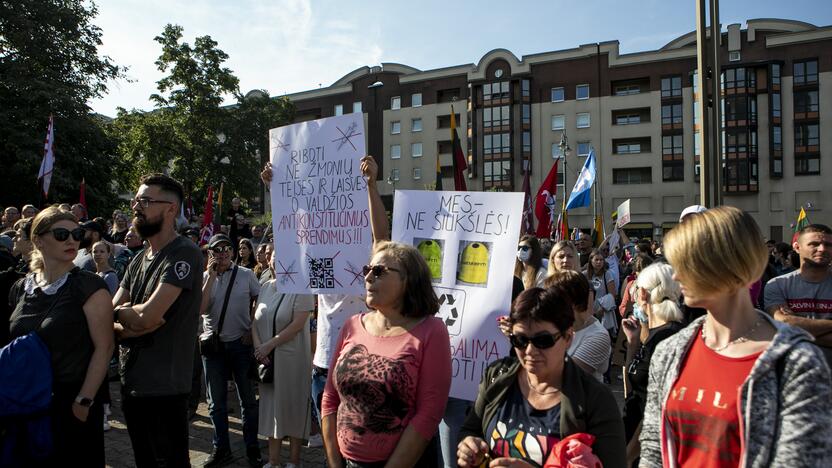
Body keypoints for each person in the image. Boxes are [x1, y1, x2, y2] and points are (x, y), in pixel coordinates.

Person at [640, 207, 832, 467]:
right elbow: (654, 448)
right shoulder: (670, 351)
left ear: (729, 263)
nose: (676, 276)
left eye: (687, 263)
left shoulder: (797, 362)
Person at [260, 155, 392, 456]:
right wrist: (275, 189)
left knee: (359, 443)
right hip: (322, 365)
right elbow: (291, 231)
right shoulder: (316, 262)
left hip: (360, 362)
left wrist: (371, 185)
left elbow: (381, 236)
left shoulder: (367, 265)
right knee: (331, 445)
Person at [457, 287, 625, 468]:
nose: (530, 351)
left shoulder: (595, 399)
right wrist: (468, 447)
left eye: (543, 340)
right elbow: (471, 430)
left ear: (568, 337)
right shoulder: (496, 376)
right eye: (519, 340)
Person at [321, 241, 452, 467]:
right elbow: (330, 398)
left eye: (379, 271)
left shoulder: (432, 331)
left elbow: (429, 413)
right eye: (367, 270)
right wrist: (335, 463)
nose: (368, 277)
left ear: (408, 279)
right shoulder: (351, 325)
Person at [7, 206, 114, 464]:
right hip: (28, 404)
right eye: (61, 234)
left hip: (71, 404)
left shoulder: (89, 285)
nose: (72, 240)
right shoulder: (21, 287)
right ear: (38, 240)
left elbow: (105, 347)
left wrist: (84, 401)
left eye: (76, 234)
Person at [112, 173, 203, 467]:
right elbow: (118, 312)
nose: (137, 206)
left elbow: (151, 316)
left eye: (146, 201)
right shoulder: (138, 259)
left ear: (171, 209)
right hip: (132, 382)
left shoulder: (183, 253)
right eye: (137, 200)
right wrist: (125, 320)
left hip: (165, 387)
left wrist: (128, 318)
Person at [200, 233, 262, 467]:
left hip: (240, 344)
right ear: (211, 254)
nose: (223, 254)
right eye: (217, 250)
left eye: (227, 249)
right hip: (213, 346)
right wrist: (210, 278)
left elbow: (260, 302)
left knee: (248, 400)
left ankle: (252, 448)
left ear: (233, 252)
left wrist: (252, 328)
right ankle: (221, 448)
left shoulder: (246, 275)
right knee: (216, 403)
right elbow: (201, 309)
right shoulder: (205, 277)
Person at [252, 248, 315, 468]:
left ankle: (294, 461)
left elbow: (298, 325)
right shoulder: (265, 287)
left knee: (294, 407)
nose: (277, 263)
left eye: (283, 259)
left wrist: (269, 345)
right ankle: (274, 460)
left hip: (292, 359)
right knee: (271, 409)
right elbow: (255, 321)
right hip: (267, 361)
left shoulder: (302, 289)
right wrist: (260, 348)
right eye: (273, 258)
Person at [619, 263, 683, 463]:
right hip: (634, 435)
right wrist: (633, 344)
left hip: (647, 450)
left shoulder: (667, 338)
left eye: (635, 290)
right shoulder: (653, 335)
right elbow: (632, 390)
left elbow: (657, 411)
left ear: (643, 294)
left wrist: (627, 456)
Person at [765, 224, 832, 363]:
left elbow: (789, 330)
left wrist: (796, 326)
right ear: (796, 247)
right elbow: (783, 325)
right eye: (814, 244)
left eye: (828, 244)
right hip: (791, 373)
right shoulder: (777, 285)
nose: (822, 249)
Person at [546, 270, 611, 382]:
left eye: (553, 299)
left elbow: (567, 378)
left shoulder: (598, 336)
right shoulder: (557, 326)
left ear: (571, 301)